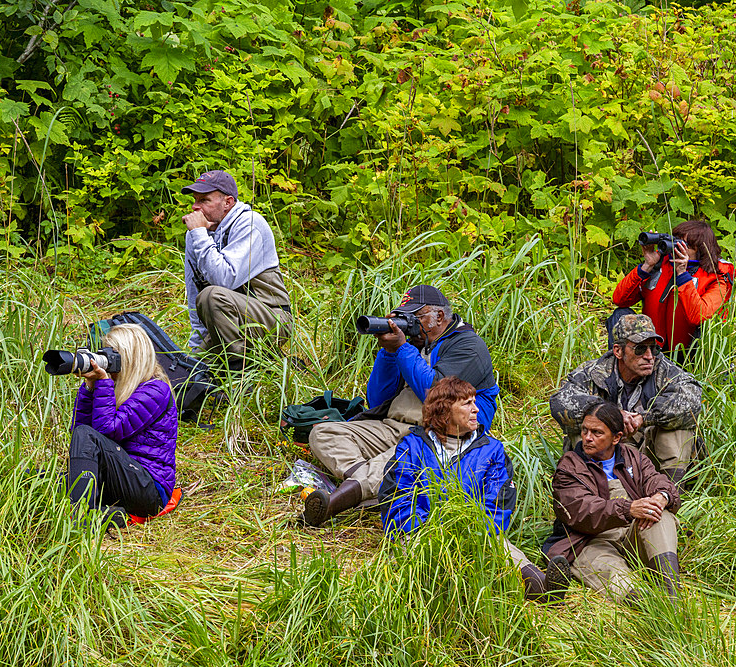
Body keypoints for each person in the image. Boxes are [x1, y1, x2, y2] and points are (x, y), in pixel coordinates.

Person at [303, 285, 500, 527]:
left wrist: (403, 348)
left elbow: (436, 395)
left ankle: (336, 502)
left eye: (415, 317)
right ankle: (376, 490)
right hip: (392, 426)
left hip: (441, 436)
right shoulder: (413, 346)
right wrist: (388, 352)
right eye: (404, 318)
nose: (409, 325)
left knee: (401, 457)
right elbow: (377, 399)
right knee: (324, 433)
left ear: (439, 317)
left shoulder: (468, 346)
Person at [378, 377, 546, 599]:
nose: (476, 409)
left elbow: (499, 501)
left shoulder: (492, 450)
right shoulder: (413, 446)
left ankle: (543, 586)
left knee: (500, 549)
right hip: (419, 533)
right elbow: (397, 498)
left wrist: (473, 534)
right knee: (414, 562)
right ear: (444, 411)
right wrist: (425, 532)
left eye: (474, 402)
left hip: (476, 533)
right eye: (467, 404)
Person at [542, 400, 681, 603]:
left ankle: (671, 591)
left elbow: (657, 480)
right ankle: (648, 605)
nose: (588, 438)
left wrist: (662, 496)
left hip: (634, 531)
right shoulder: (569, 465)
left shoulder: (632, 456)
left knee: (660, 515)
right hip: (589, 540)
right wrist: (629, 508)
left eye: (597, 433)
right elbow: (581, 511)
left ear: (616, 438)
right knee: (610, 571)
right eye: (584, 430)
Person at [551, 313, 701, 489]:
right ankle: (595, 492)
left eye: (653, 348)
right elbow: (560, 402)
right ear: (618, 351)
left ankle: (670, 493)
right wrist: (611, 417)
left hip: (649, 460)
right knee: (586, 427)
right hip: (607, 458)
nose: (649, 356)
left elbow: (692, 400)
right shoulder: (593, 372)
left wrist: (644, 418)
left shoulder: (664, 369)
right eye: (640, 349)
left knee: (678, 428)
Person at [181, 169, 293, 369]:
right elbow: (194, 293)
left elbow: (224, 279)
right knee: (187, 374)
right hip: (226, 323)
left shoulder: (250, 224)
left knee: (212, 296)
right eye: (195, 199)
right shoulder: (195, 235)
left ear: (228, 202)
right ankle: (266, 361)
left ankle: (238, 374)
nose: (195, 207)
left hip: (272, 318)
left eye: (204, 200)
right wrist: (196, 348)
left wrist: (199, 234)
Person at [69, 324, 179, 526]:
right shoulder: (118, 389)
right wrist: (89, 389)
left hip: (150, 489)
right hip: (121, 477)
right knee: (50, 482)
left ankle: (81, 519)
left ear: (131, 358)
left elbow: (106, 431)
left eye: (114, 356)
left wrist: (103, 382)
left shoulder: (156, 390)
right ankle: (111, 515)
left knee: (86, 436)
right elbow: (79, 436)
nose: (109, 363)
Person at [610, 219, 736, 363]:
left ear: (700, 250)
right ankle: (619, 371)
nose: (677, 248)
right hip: (653, 346)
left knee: (704, 332)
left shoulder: (717, 277)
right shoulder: (661, 265)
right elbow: (619, 299)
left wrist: (683, 274)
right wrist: (647, 266)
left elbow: (700, 316)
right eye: (676, 241)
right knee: (620, 315)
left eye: (685, 245)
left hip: (689, 353)